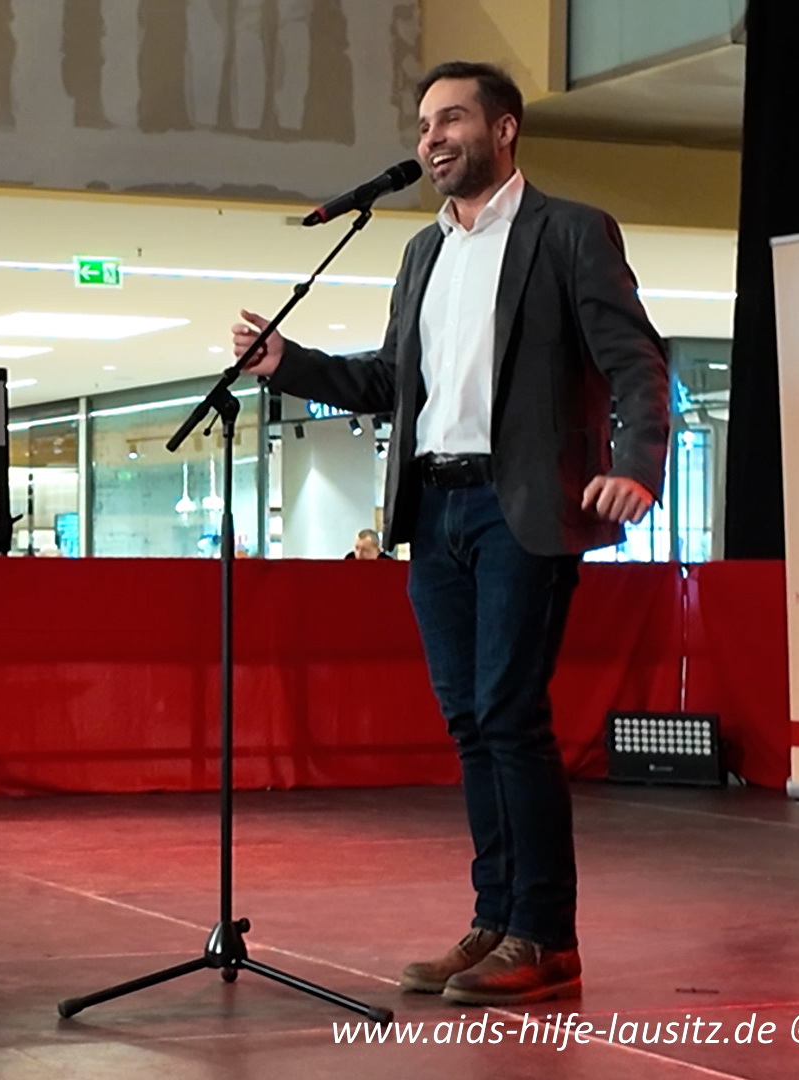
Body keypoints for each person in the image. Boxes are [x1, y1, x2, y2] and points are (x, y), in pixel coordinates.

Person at [231, 61, 669, 1006]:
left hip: (521, 508)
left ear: (503, 130)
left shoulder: (570, 232)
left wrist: (638, 464)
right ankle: (494, 920)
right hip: (435, 511)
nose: (432, 138)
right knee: (471, 722)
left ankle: (546, 936)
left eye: (452, 120)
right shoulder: (422, 253)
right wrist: (288, 363)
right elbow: (395, 380)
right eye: (425, 124)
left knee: (510, 715)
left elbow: (636, 359)